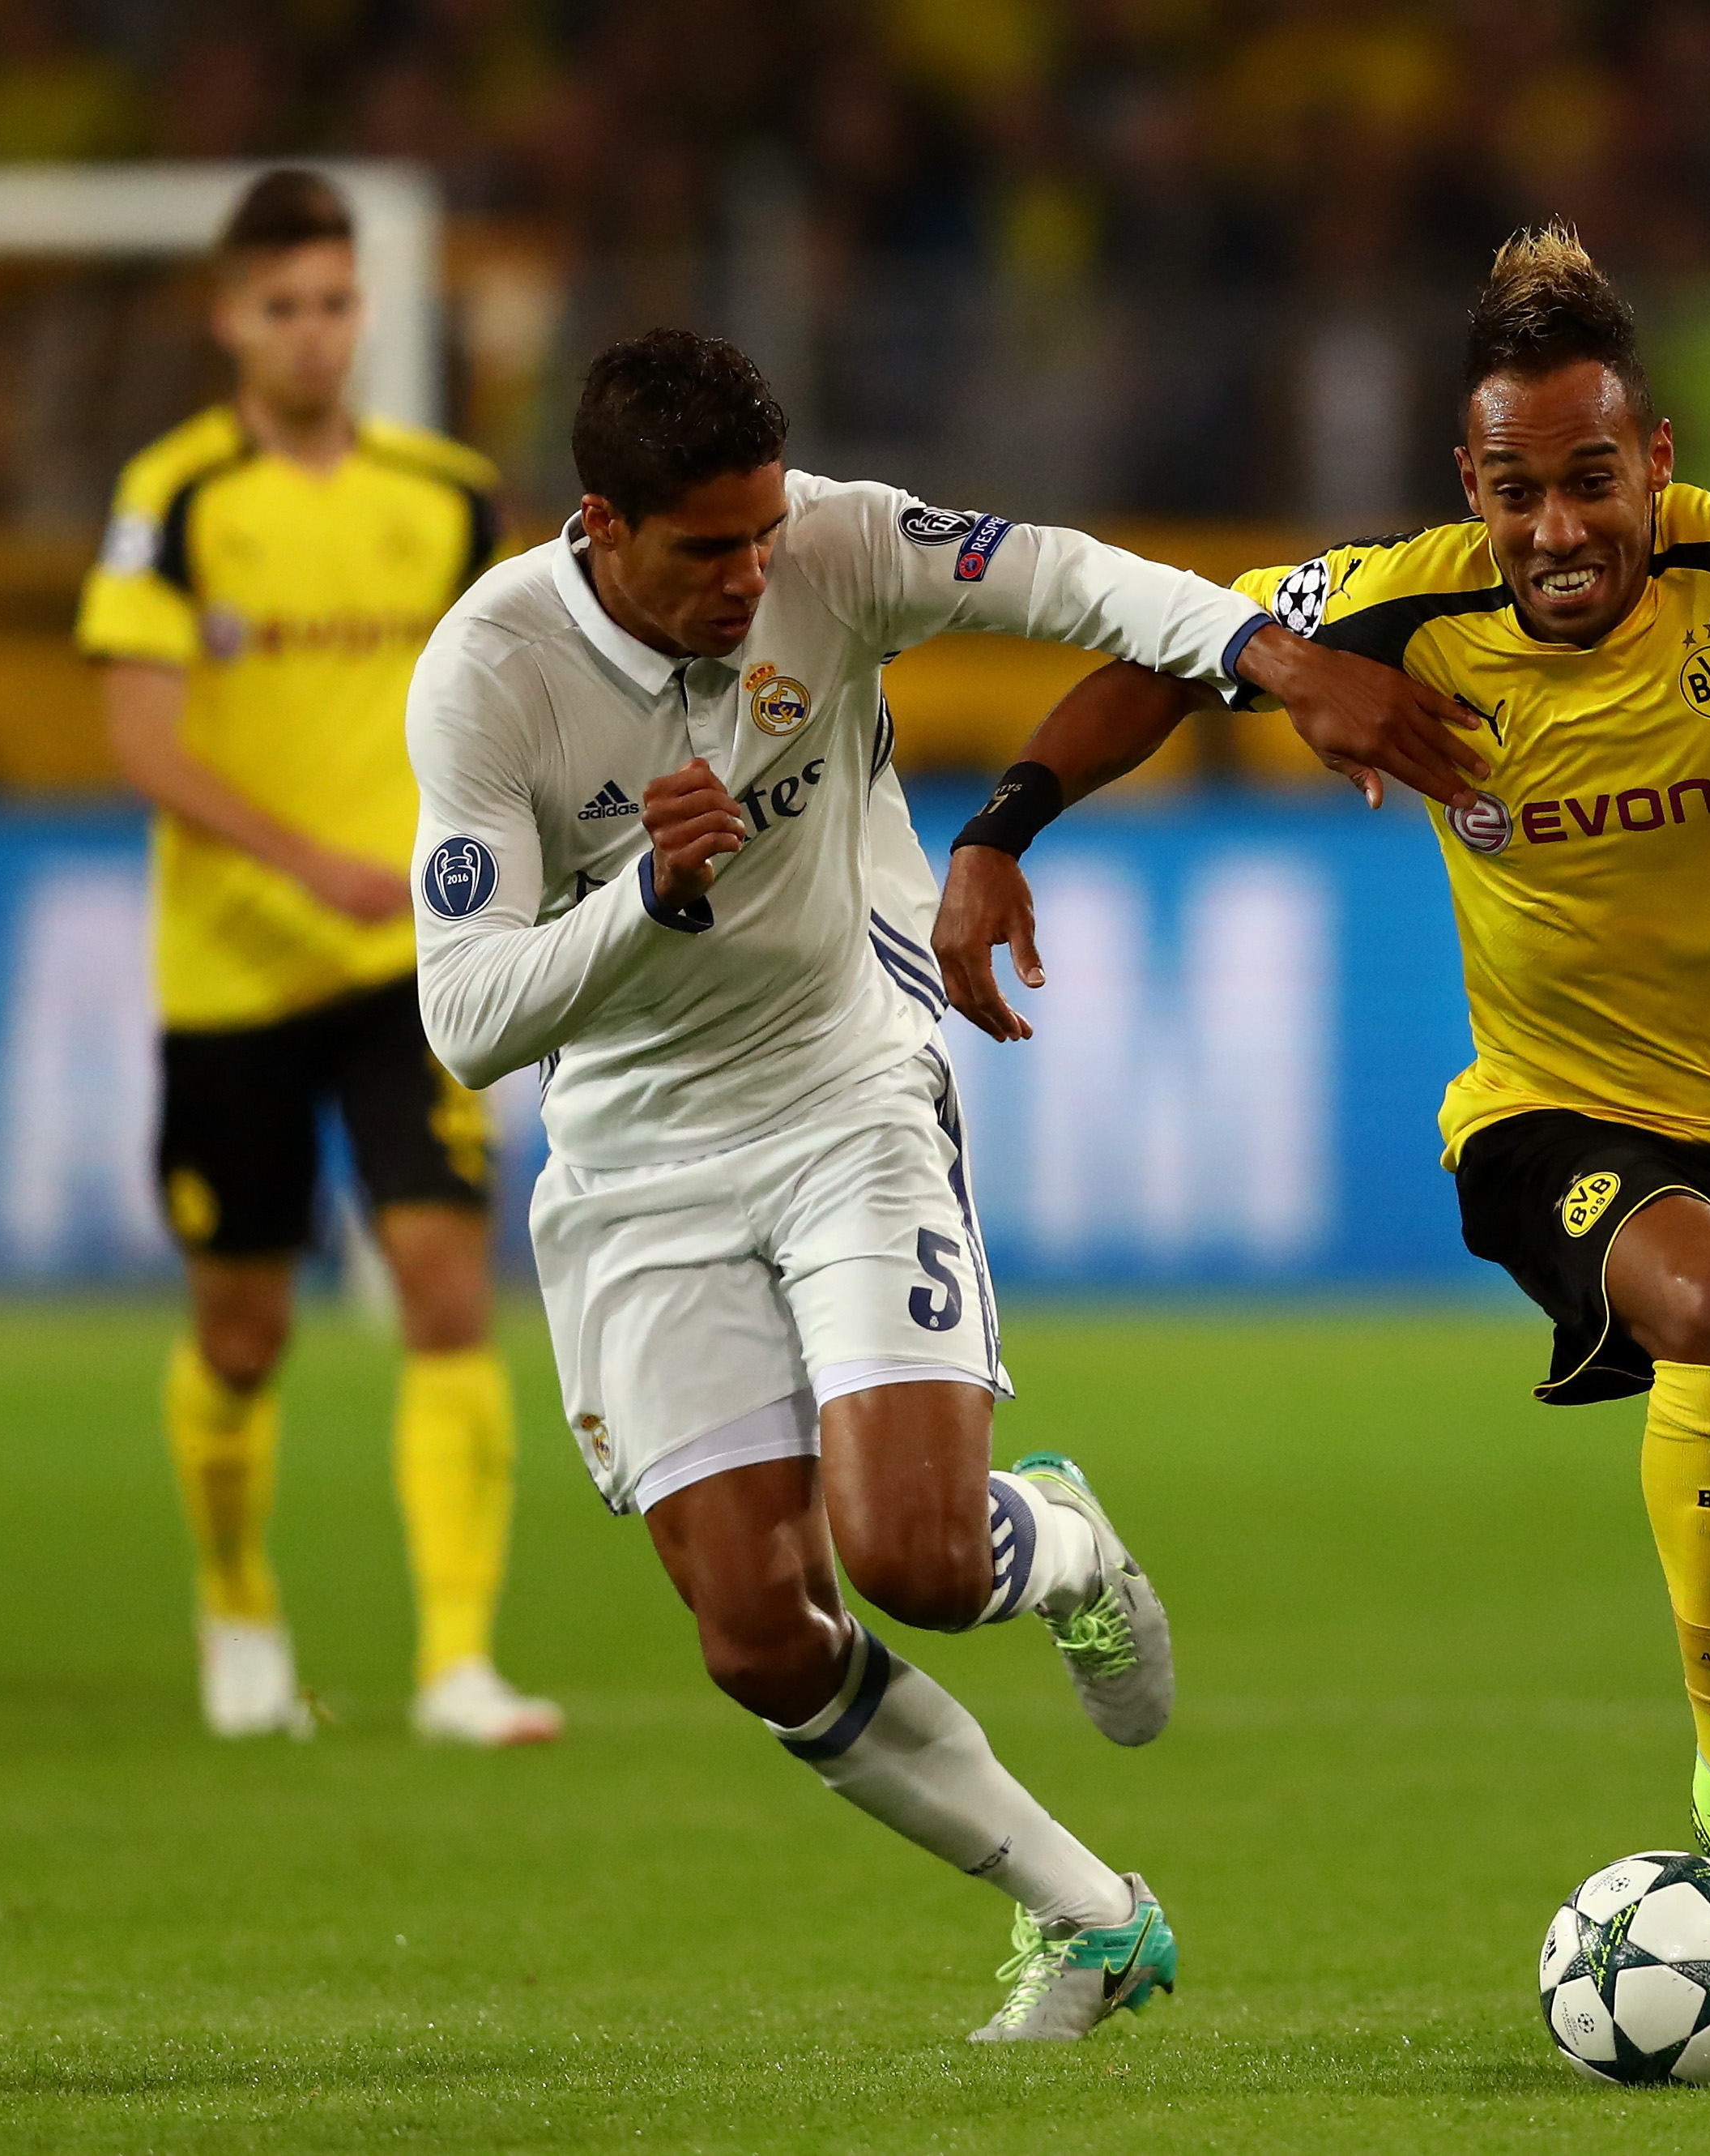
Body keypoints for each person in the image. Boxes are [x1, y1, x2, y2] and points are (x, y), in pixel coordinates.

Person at [935, 228, 1710, 2052]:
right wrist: (1000, 829)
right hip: (1546, 1112)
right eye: (1511, 489)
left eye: (1588, 480)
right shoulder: (1392, 601)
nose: (1554, 527)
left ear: (1655, 459)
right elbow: (1161, 653)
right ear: (1463, 486)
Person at [405, 328, 1479, 2039]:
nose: (753, 575)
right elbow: (462, 1018)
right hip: (632, 1161)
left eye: (764, 532)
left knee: (906, 1549)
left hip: (843, 1088)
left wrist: (1272, 658)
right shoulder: (488, 670)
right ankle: (1090, 1915)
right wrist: (642, 902)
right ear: (599, 523)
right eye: (707, 549)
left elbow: (1065, 576)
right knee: (756, 1632)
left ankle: (1054, 1540)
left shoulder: (834, 546)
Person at [76, 169, 560, 1748]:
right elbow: (141, 738)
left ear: (367, 312)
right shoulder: (180, 495)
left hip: (408, 963)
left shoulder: (444, 496)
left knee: (440, 1280)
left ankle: (457, 1662)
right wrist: (312, 863)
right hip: (232, 970)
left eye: (336, 302)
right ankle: (234, 1598)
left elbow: (513, 700)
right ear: (229, 320)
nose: (311, 333)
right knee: (245, 1328)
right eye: (280, 306)